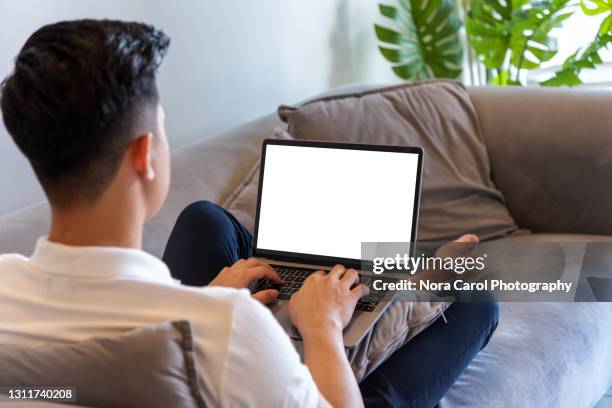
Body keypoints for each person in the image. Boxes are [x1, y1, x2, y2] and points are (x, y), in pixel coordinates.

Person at [0, 20, 498, 407]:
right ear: (144, 155)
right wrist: (322, 326)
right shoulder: (230, 328)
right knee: (476, 299)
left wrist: (198, 300)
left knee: (205, 219)